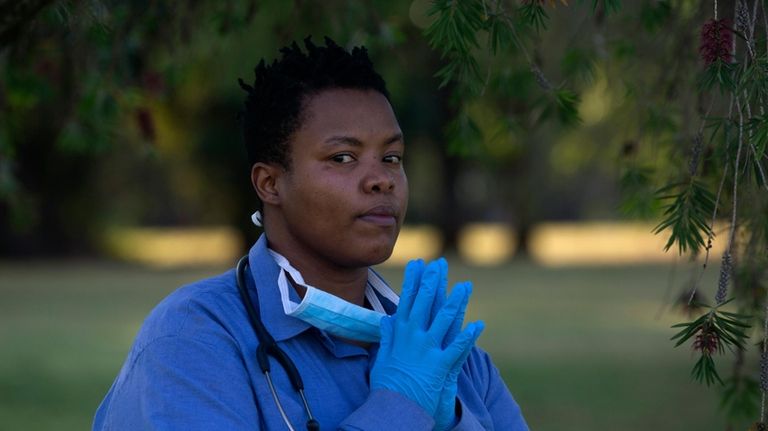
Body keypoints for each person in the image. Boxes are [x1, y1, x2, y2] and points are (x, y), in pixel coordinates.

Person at [93, 37, 528, 431]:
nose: (382, 180)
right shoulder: (195, 339)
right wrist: (399, 406)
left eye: (392, 158)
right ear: (270, 183)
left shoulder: (447, 355)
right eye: (342, 157)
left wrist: (456, 422)